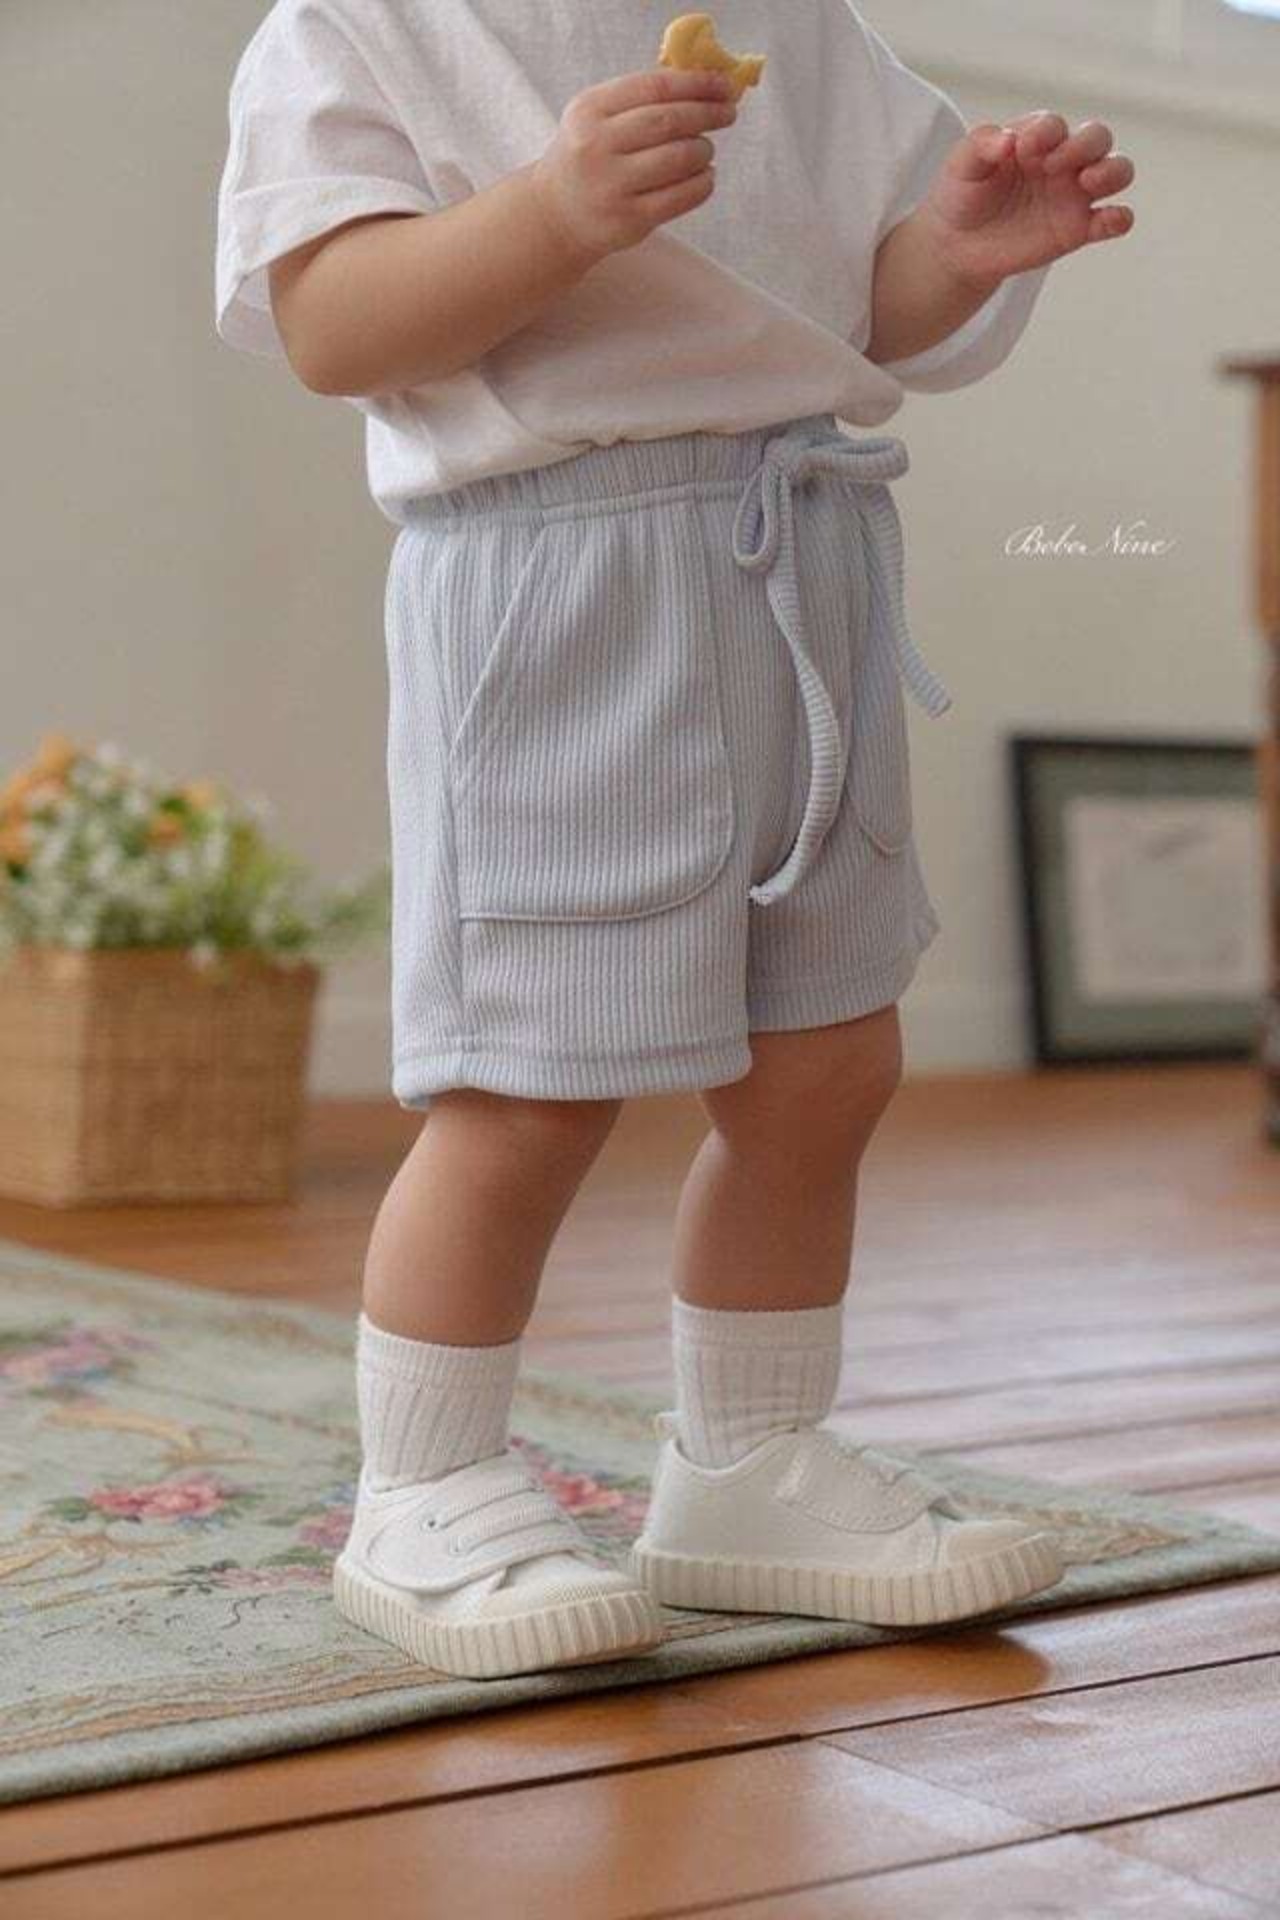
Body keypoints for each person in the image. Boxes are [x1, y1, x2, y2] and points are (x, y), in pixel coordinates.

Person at [215, 0, 1135, 1680]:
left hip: (804, 552)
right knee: (528, 1077)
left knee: (828, 1057)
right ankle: (424, 1485)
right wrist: (550, 212)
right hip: (552, 579)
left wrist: (953, 250)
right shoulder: (362, 25)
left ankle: (748, 1464)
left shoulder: (800, 25)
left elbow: (853, 303)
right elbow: (334, 327)